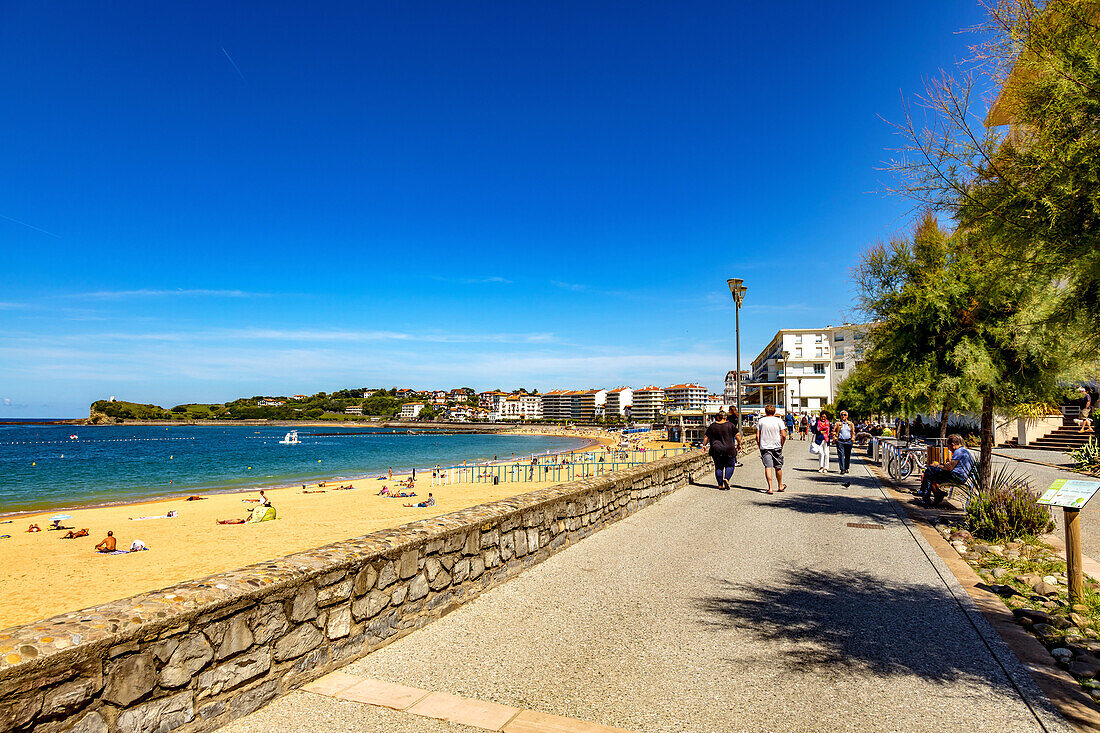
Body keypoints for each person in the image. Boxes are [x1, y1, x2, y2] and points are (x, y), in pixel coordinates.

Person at [918, 433, 975, 506]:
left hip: (957, 476)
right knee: (931, 475)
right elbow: (950, 466)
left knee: (930, 470)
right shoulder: (964, 450)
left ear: (953, 444)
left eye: (949, 446)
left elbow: (950, 468)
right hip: (960, 476)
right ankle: (936, 494)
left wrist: (938, 466)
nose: (948, 448)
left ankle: (926, 496)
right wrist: (944, 465)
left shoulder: (958, 451)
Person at [701, 411, 742, 491]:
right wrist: (739, 444)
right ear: (725, 417)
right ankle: (726, 478)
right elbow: (738, 435)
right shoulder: (730, 425)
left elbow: (706, 437)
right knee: (730, 465)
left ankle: (720, 485)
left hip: (716, 449)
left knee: (718, 467)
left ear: (718, 417)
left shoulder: (712, 426)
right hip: (729, 449)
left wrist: (704, 445)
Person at [756, 405, 787, 495]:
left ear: (765, 412)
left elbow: (757, 436)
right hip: (776, 446)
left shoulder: (761, 421)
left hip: (765, 447)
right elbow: (784, 435)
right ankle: (780, 485)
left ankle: (770, 488)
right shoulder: (779, 420)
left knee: (768, 467)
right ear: (774, 412)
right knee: (778, 467)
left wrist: (759, 445)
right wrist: (781, 444)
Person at [834, 410, 855, 475]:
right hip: (840, 441)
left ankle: (846, 468)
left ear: (847, 416)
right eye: (842, 415)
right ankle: (842, 469)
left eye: (845, 415)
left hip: (848, 441)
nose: (843, 416)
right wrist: (835, 439)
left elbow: (853, 432)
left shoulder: (850, 424)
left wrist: (852, 439)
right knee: (841, 455)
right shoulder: (838, 423)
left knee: (847, 455)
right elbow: (833, 431)